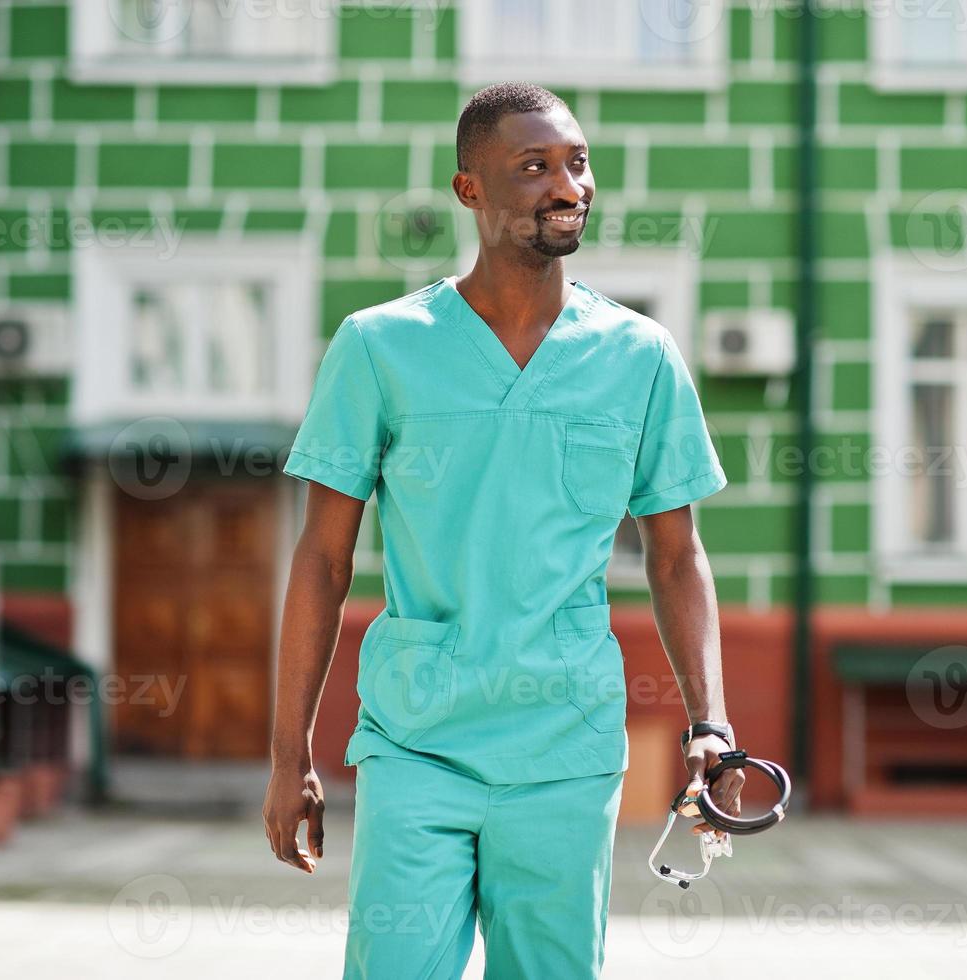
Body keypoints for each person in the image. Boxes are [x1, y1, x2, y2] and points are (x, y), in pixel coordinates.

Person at [264, 81, 743, 980]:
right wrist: (289, 758)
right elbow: (323, 561)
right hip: (417, 743)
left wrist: (708, 725)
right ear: (469, 190)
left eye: (578, 162)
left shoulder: (638, 358)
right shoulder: (379, 347)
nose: (568, 186)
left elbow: (676, 557)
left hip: (565, 746)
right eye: (534, 167)